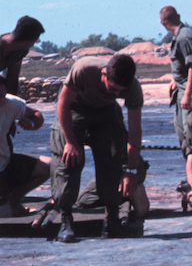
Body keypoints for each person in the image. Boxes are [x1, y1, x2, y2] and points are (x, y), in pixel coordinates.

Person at [50, 54, 142, 242]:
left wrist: (131, 171)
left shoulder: (133, 88)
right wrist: (71, 142)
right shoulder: (84, 69)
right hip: (74, 109)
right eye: (112, 88)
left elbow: (134, 133)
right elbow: (63, 104)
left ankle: (112, 222)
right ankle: (66, 220)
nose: (116, 94)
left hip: (106, 113)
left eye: (120, 92)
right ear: (103, 74)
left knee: (114, 159)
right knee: (69, 160)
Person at [159, 6, 192, 157]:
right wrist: (174, 80)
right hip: (183, 92)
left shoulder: (185, 37)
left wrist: (188, 95)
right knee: (184, 135)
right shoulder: (179, 36)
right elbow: (183, 64)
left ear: (162, 22)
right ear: (179, 16)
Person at [0, 72, 50, 217]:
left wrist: (32, 124)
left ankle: (14, 199)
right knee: (5, 218)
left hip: (5, 163)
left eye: (2, 96)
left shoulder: (11, 104)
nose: (0, 101)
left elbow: (37, 115)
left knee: (49, 166)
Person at [0, 16, 45, 97]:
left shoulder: (21, 51)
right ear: (27, 41)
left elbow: (12, 79)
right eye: (36, 41)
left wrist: (12, 103)